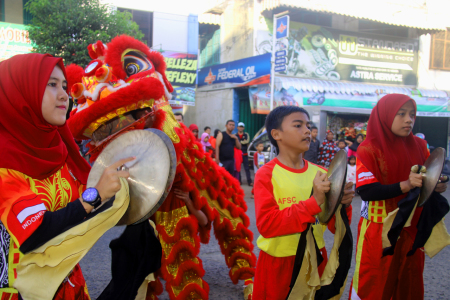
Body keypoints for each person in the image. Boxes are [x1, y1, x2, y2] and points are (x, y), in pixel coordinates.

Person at [0, 53, 135, 299]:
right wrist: (94, 196)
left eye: (64, 85)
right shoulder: (4, 160)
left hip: (68, 285)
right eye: (51, 84)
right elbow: (34, 233)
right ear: (20, 90)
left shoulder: (57, 149)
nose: (64, 94)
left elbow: (78, 211)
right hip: (20, 291)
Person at [349, 94, 448, 300]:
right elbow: (367, 191)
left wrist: (435, 186)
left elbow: (426, 178)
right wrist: (406, 184)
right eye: (401, 114)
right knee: (375, 284)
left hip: (412, 227)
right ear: (385, 116)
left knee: (409, 283)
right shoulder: (368, 148)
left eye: (412, 114)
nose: (408, 120)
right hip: (379, 229)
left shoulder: (420, 146)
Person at [253, 106, 354, 299]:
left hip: (315, 259)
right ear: (276, 134)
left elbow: (332, 224)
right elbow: (267, 225)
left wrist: (343, 204)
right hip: (279, 262)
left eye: (308, 125)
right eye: (298, 125)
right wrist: (314, 201)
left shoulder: (322, 173)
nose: (307, 131)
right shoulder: (266, 174)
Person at [237, 122, 253, 186]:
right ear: (237, 127)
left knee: (247, 168)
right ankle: (239, 181)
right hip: (238, 154)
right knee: (238, 168)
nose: (241, 128)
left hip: (245, 154)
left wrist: (239, 142)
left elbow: (247, 141)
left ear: (243, 128)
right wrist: (242, 142)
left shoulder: (246, 134)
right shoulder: (235, 135)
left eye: (242, 127)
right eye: (239, 127)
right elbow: (235, 144)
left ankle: (249, 181)